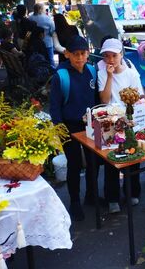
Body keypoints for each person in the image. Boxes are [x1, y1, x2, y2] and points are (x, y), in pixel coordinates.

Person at [97, 38, 145, 212]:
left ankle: (133, 192)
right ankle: (112, 197)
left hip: (131, 119)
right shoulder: (102, 72)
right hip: (110, 121)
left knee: (133, 155)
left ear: (121, 54)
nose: (110, 59)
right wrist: (110, 76)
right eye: (107, 56)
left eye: (114, 55)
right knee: (112, 158)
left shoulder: (131, 73)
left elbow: (140, 97)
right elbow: (104, 100)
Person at [49, 36, 98, 221]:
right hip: (68, 126)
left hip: (90, 125)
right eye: (75, 54)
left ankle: (91, 195)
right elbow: (54, 106)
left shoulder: (92, 71)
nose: (79, 58)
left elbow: (96, 100)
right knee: (75, 163)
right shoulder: (61, 76)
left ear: (88, 54)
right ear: (67, 54)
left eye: (83, 54)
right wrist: (60, 128)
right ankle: (75, 201)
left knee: (94, 160)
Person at [29, 3, 58, 68]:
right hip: (47, 41)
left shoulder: (30, 18)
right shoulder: (48, 18)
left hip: (34, 42)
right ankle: (52, 73)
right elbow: (52, 30)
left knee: (37, 59)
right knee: (50, 59)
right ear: (41, 9)